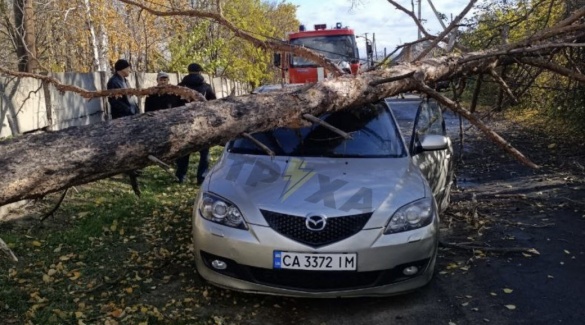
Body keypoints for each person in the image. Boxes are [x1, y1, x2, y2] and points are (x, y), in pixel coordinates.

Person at [175, 63, 217, 185]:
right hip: (202, 123)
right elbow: (213, 104)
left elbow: (175, 105)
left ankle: (181, 175)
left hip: (184, 122)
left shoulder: (180, 87)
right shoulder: (206, 87)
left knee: (183, 152)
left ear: (188, 71)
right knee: (204, 153)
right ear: (200, 72)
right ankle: (201, 177)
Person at [106, 59, 141, 195]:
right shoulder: (114, 82)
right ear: (121, 69)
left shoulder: (124, 80)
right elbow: (114, 101)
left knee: (131, 143)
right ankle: (126, 168)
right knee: (123, 144)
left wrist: (135, 110)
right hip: (122, 118)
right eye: (128, 68)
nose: (129, 70)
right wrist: (129, 111)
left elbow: (130, 97)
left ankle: (132, 167)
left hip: (130, 116)